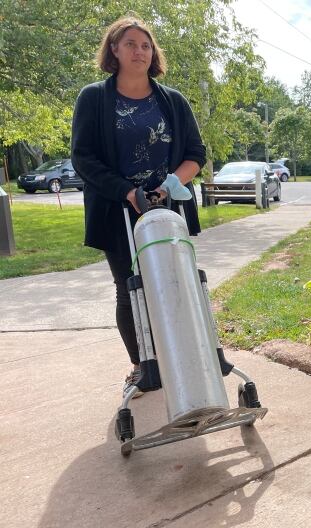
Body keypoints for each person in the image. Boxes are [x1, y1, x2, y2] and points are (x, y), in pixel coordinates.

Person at [71, 16, 206, 397]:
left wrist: (171, 184)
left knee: (177, 283)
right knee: (129, 288)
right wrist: (127, 192)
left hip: (167, 210)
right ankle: (142, 365)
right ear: (113, 50)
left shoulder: (172, 101)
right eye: (130, 44)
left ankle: (185, 358)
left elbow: (196, 153)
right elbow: (84, 157)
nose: (139, 51)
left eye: (145, 45)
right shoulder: (94, 98)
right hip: (117, 210)